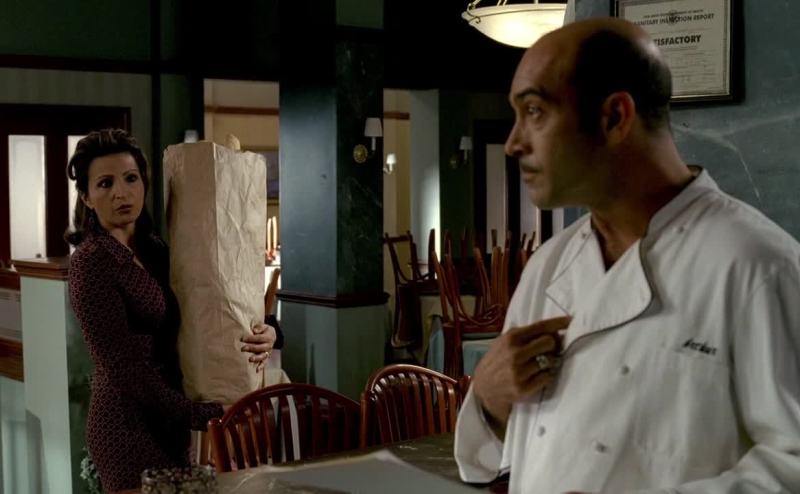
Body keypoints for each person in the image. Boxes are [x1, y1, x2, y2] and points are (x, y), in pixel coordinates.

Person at [454, 17, 800, 493]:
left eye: (534, 111)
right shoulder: (548, 266)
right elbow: (499, 461)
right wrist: (491, 402)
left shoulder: (758, 266)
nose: (514, 143)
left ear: (615, 117)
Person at [66, 129, 281, 492]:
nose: (121, 192)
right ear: (86, 197)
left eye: (131, 178)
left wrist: (269, 331)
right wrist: (202, 414)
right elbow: (123, 370)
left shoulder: (155, 250)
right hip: (126, 426)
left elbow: (208, 305)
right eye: (105, 183)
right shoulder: (91, 263)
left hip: (171, 420)